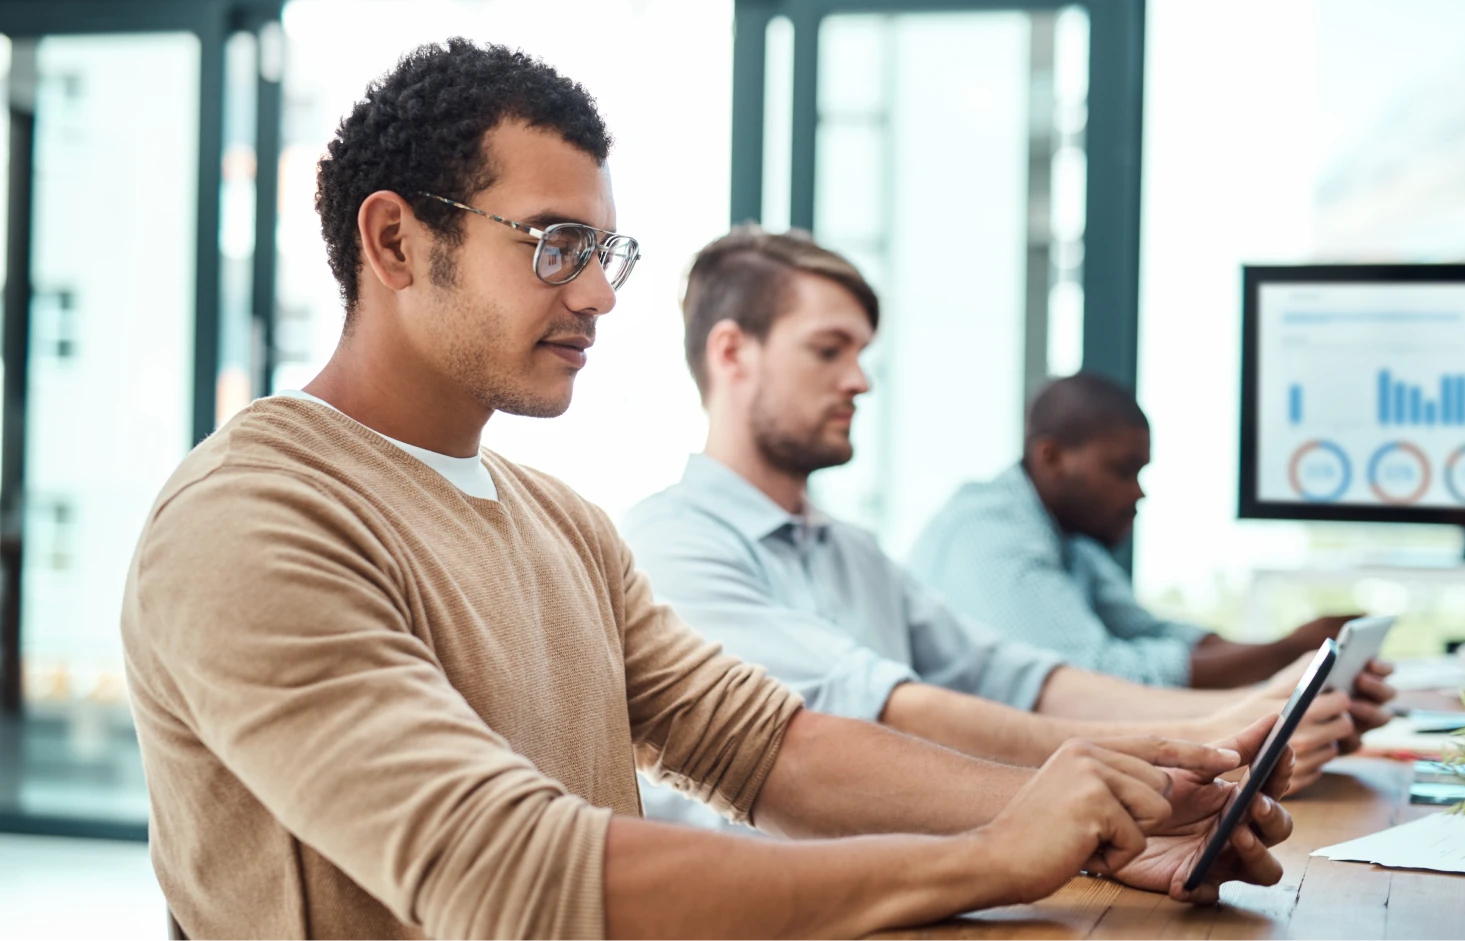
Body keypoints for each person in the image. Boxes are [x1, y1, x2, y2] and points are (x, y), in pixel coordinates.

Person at [120, 41, 1297, 941]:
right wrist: (994, 852)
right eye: (551, 245)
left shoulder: (559, 522)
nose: (598, 296)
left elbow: (764, 744)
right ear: (392, 242)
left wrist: (1095, 822)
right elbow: (505, 874)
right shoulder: (252, 517)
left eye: (604, 252)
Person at [623, 227, 1377, 835]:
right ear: (732, 353)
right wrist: (1211, 730)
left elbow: (1017, 675)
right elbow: (880, 709)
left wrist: (1246, 712)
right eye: (829, 350)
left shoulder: (850, 550)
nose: (860, 380)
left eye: (861, 354)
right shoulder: (672, 546)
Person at [909, 373, 1392, 700]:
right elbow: (1099, 679)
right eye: (1122, 471)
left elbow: (1150, 632)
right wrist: (1287, 653)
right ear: (1052, 458)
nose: (1138, 492)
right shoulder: (990, 535)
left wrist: (1281, 653)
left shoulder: (1068, 537)